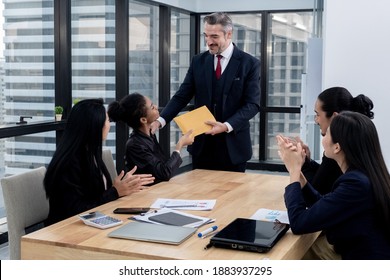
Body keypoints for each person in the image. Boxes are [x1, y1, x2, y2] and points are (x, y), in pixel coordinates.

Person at [151, 12, 260, 172]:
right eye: (206, 36)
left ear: (229, 34)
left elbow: (252, 105)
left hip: (233, 147)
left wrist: (226, 126)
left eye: (214, 36)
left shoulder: (249, 63)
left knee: (233, 196)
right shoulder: (198, 61)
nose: (208, 42)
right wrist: (160, 121)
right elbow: (182, 96)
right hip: (201, 147)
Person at [277, 111, 390, 259]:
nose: (323, 138)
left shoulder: (356, 184)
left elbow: (298, 223)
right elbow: (326, 207)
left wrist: (293, 169)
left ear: (337, 147)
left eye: (326, 135)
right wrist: (299, 174)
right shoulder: (365, 175)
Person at [44, 99, 154, 225]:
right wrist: (115, 191)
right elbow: (76, 211)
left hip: (94, 222)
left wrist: (124, 186)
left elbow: (95, 195)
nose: (109, 125)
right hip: (67, 230)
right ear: (95, 126)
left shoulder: (91, 153)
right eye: (107, 120)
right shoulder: (69, 162)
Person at [294, 87, 374, 195]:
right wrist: (307, 162)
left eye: (318, 114)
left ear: (334, 117)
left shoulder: (338, 149)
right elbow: (325, 178)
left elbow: (316, 192)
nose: (316, 120)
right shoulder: (357, 141)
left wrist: (296, 166)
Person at [108, 93, 194, 185]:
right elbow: (164, 173)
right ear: (143, 120)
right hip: (144, 195)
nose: (156, 107)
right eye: (152, 107)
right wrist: (180, 145)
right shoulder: (135, 145)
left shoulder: (149, 135)